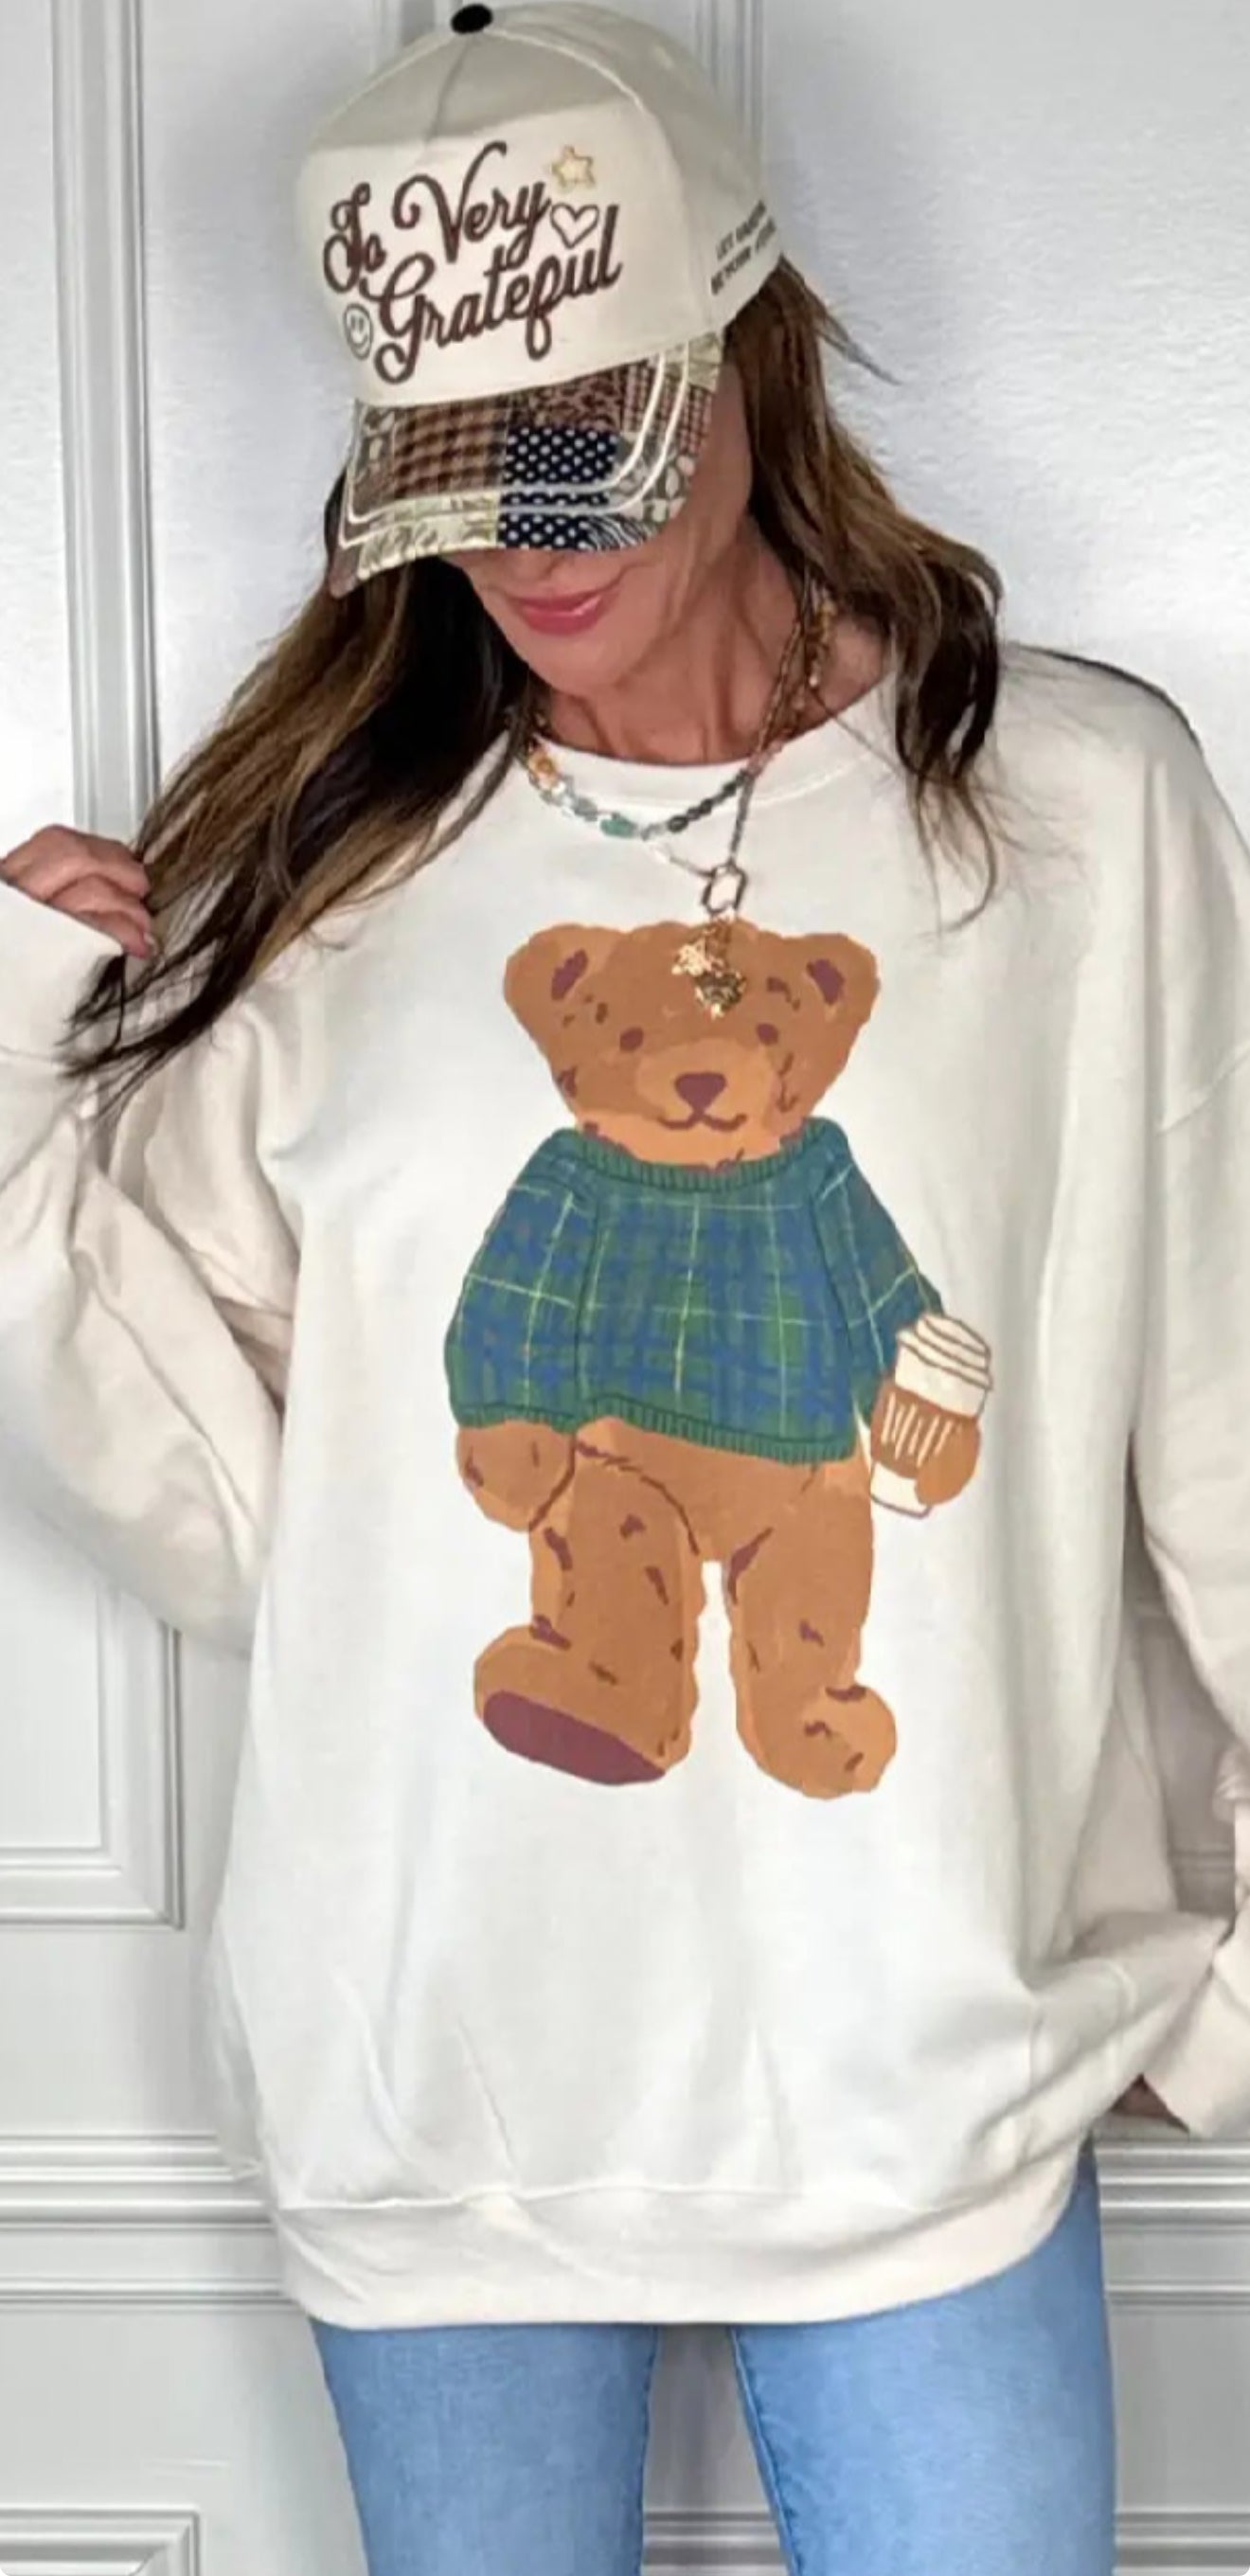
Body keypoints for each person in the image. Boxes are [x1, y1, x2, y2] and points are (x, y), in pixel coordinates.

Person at [1, 2, 1247, 2568]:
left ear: (746, 365)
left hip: (928, 2084)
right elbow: (240, 1517)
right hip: (444, 2084)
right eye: (448, 470)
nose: (525, 543)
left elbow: (1225, 1409)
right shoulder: (343, 887)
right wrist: (23, 1062)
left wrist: (1233, 1987)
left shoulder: (1076, 816)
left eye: (580, 441)